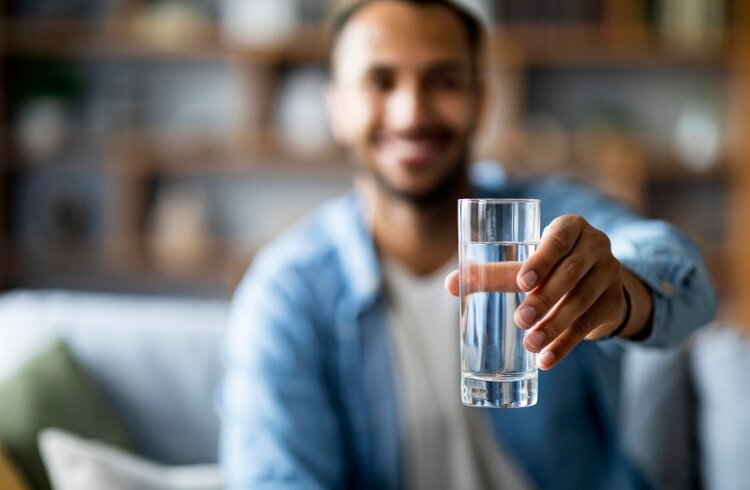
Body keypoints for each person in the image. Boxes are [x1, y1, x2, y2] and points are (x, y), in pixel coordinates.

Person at [219, 1, 717, 488]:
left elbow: (687, 284)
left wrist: (621, 294)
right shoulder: (287, 291)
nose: (411, 112)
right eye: (380, 81)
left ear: (483, 100)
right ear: (336, 106)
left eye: (444, 81)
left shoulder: (545, 221)